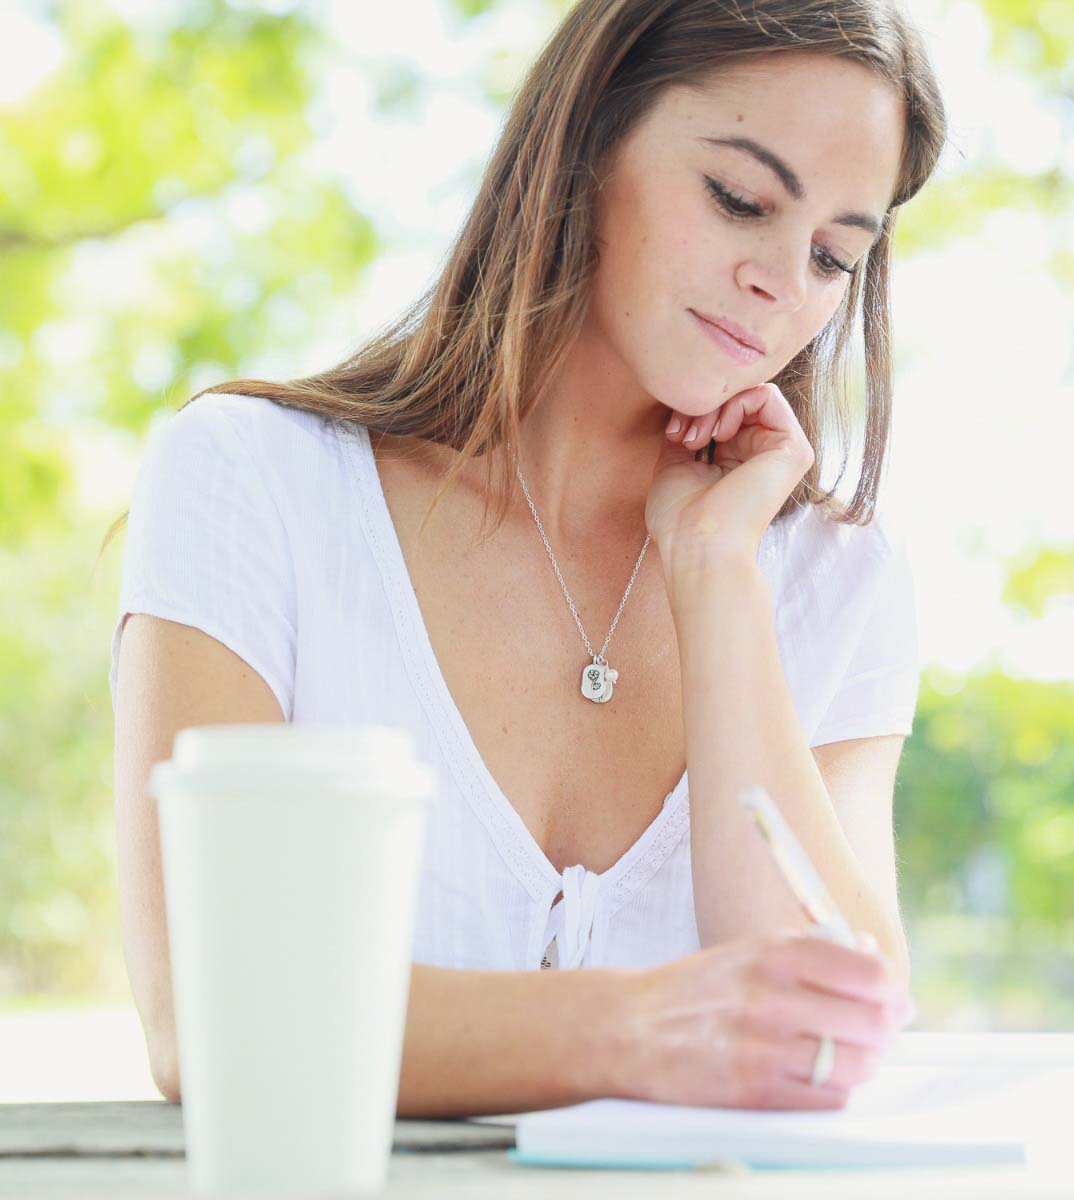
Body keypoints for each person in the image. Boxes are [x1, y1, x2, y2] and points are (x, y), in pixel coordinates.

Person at [102, 0, 946, 1117]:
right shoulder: (255, 484)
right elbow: (217, 1020)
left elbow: (829, 1037)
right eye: (740, 199)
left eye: (837, 254)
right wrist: (644, 1026)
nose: (785, 284)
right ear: (586, 146)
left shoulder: (839, 580)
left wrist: (715, 575)